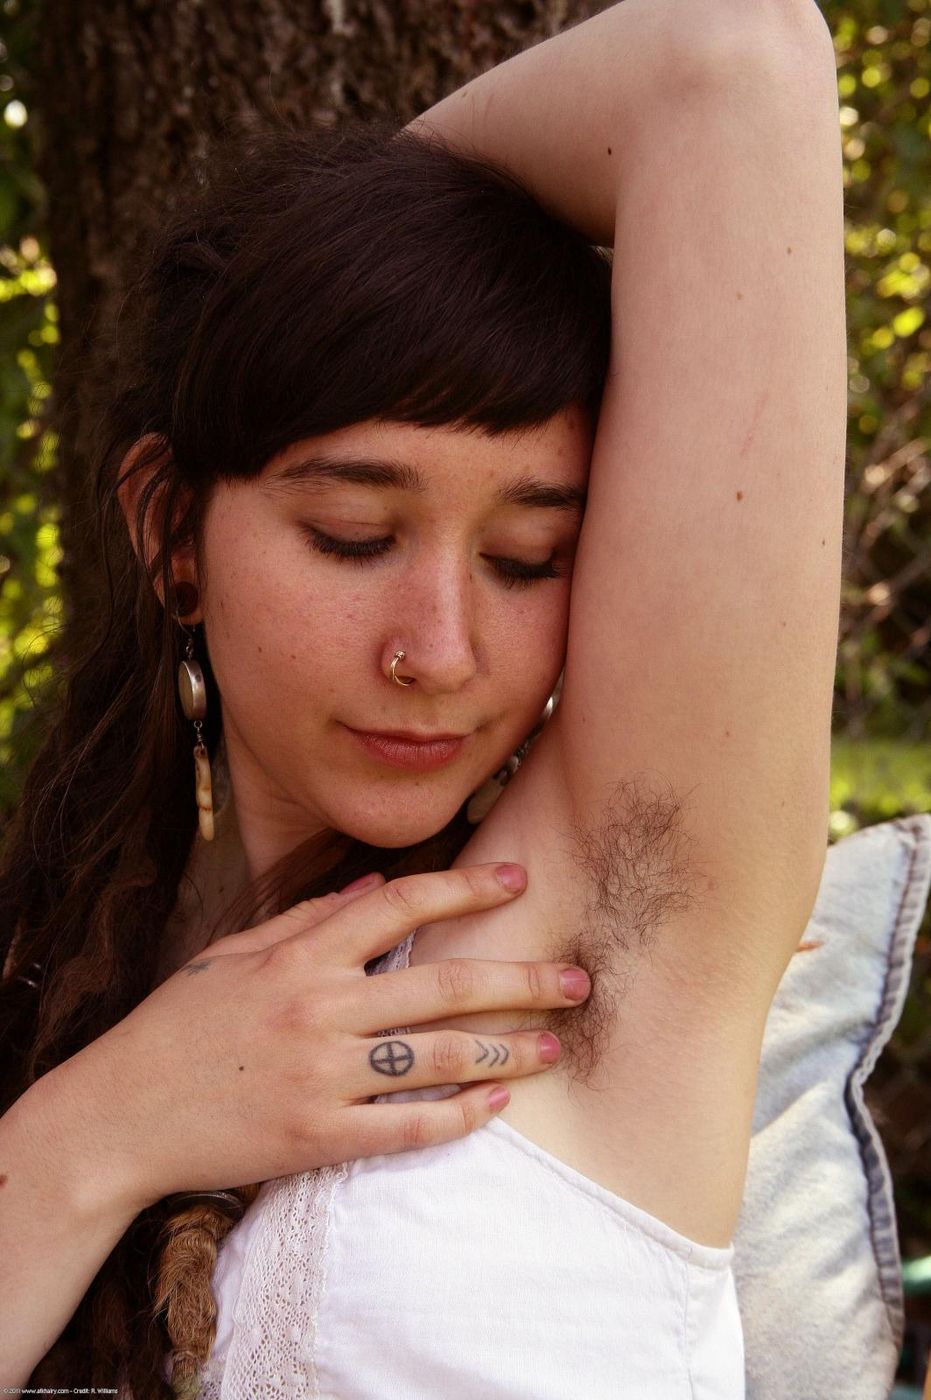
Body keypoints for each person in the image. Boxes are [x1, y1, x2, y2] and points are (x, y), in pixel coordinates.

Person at [0, 0, 845, 1394]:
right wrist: (102, 1129)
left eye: (528, 558)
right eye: (352, 537)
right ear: (169, 532)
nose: (440, 652)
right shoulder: (45, 956)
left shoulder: (618, 924)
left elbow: (733, 61)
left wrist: (346, 253)